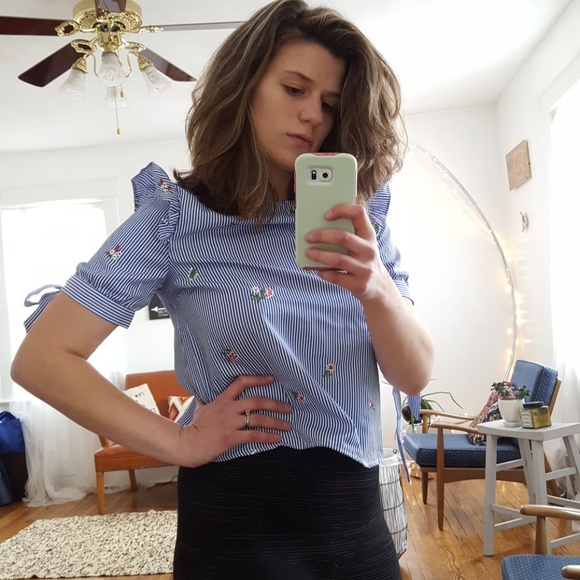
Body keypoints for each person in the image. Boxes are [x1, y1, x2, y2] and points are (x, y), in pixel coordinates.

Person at [11, 0, 434, 578]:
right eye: (294, 89)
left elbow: (414, 376)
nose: (312, 114)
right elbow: (41, 360)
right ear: (245, 88)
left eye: (331, 104)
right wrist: (179, 442)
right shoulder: (173, 217)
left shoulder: (361, 222)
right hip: (232, 521)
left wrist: (378, 289)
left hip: (351, 516)